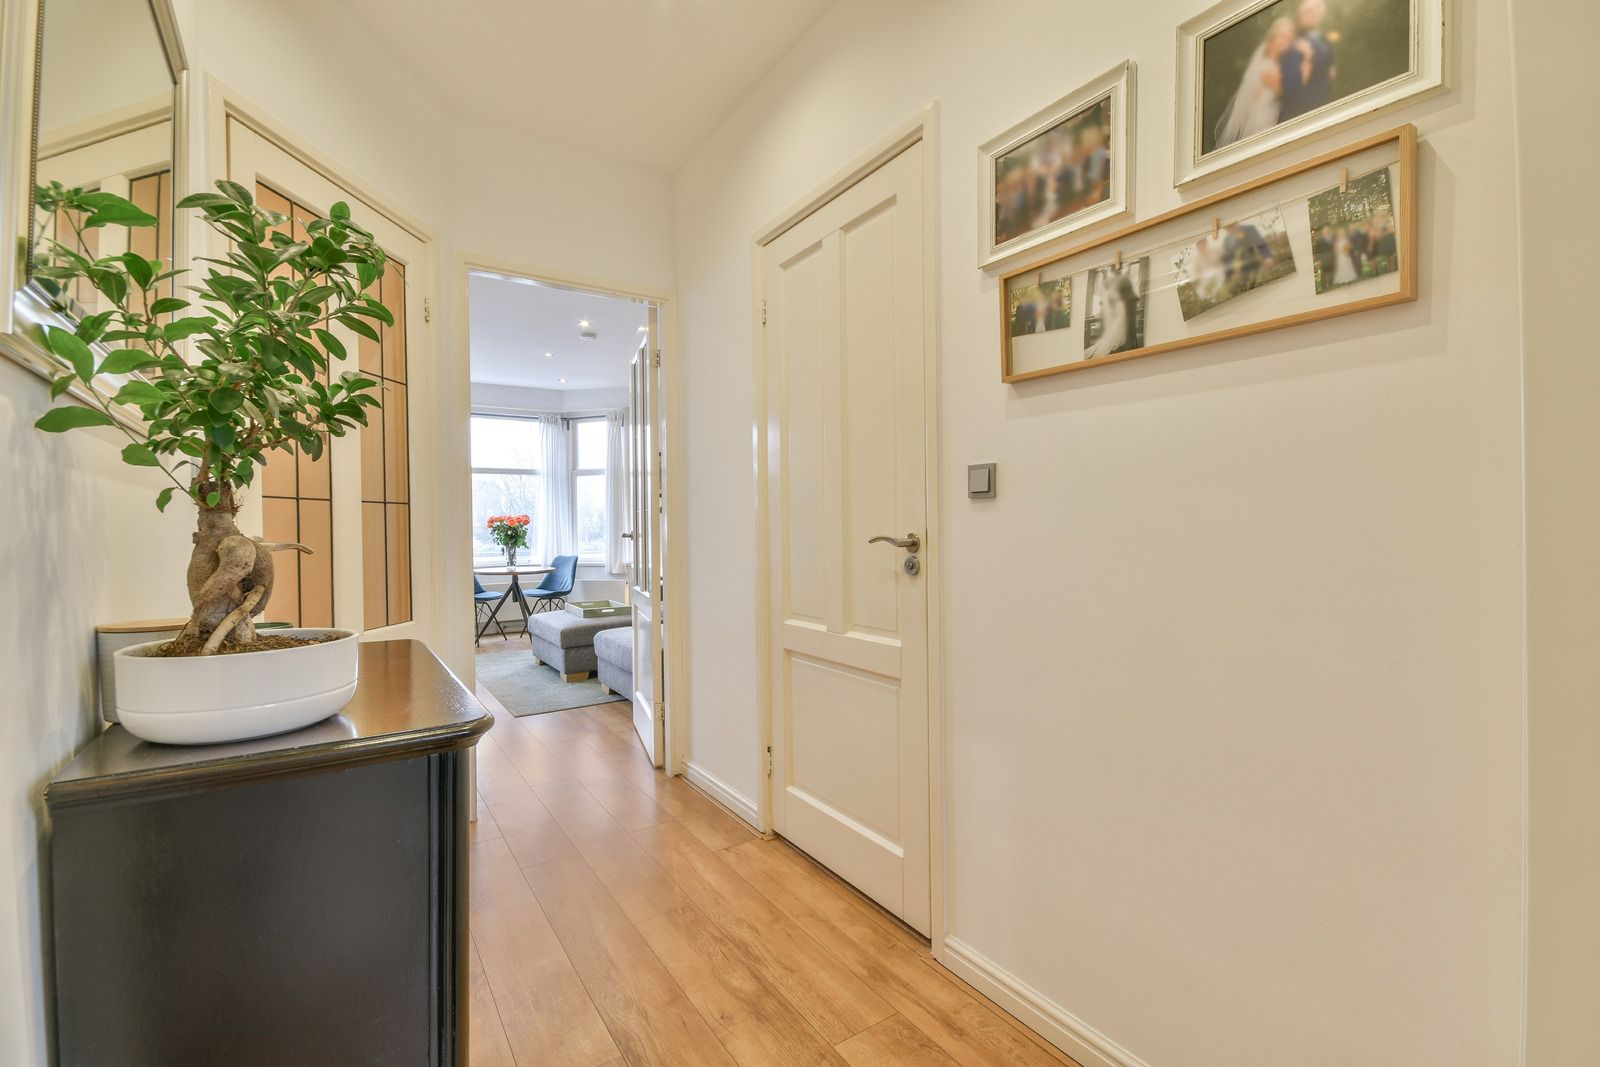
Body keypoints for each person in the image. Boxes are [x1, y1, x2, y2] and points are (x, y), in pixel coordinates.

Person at [1214, 16, 1297, 148]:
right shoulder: (1268, 66)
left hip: (1265, 117)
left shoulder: (1277, 61)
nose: (1286, 40)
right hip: (1263, 120)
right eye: (1282, 35)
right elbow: (1292, 93)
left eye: (1289, 36)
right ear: (1273, 38)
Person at [1280, 0, 1336, 120]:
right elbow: (1293, 87)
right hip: (1306, 110)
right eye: (1308, 11)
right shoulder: (1295, 43)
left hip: (1325, 102)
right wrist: (1308, 57)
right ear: (1299, 14)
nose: (1314, 12)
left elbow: (1328, 65)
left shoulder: (1321, 37)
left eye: (1317, 7)